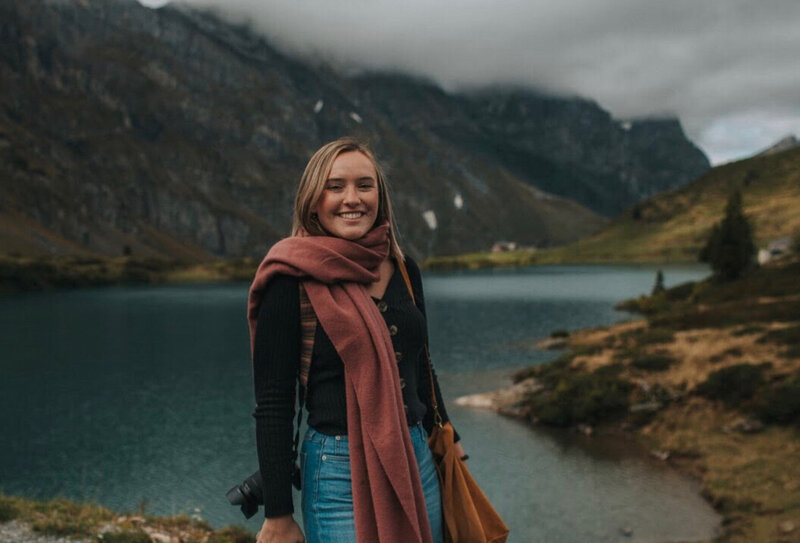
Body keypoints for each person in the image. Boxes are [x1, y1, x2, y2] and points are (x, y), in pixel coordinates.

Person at [246, 137, 464, 543]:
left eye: (365, 185)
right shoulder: (288, 279)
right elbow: (274, 401)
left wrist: (448, 436)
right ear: (313, 200)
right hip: (336, 470)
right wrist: (278, 514)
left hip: (416, 454)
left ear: (380, 196)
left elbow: (420, 364)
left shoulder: (402, 269)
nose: (352, 199)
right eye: (335, 186)